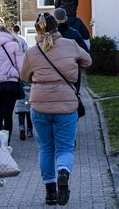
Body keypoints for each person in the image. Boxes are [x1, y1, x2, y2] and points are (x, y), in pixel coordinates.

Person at [20, 13, 91, 206]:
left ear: (37, 30)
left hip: (40, 105)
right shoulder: (70, 44)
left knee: (45, 148)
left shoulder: (32, 52)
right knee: (65, 147)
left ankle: (50, 192)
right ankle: (63, 172)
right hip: (66, 105)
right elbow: (88, 61)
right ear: (57, 27)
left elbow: (24, 76)